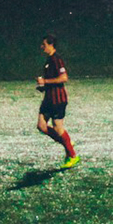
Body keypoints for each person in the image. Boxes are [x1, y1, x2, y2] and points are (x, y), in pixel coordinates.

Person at [34, 34, 78, 168]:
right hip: (48, 99)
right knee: (41, 125)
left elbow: (64, 78)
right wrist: (43, 86)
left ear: (51, 45)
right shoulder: (49, 60)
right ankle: (66, 142)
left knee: (58, 128)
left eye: (44, 45)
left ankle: (72, 156)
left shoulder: (57, 59)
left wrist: (45, 81)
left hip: (58, 99)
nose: (42, 47)